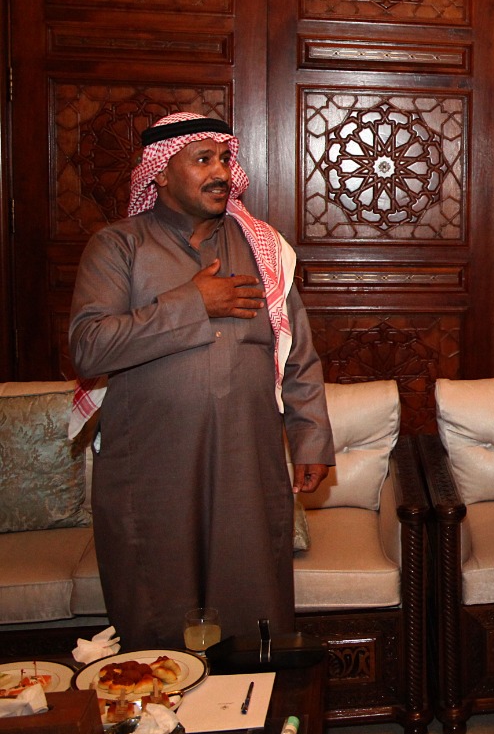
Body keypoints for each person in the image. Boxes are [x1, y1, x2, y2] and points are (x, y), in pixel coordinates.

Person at [69, 112, 334, 650]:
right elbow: (89, 346)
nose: (221, 172)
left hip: (247, 462)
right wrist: (194, 302)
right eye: (203, 159)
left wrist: (311, 438)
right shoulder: (119, 246)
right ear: (160, 173)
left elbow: (297, 355)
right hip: (150, 469)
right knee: (158, 621)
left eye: (225, 159)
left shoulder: (262, 248)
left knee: (252, 614)